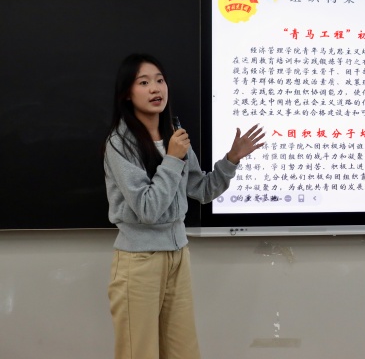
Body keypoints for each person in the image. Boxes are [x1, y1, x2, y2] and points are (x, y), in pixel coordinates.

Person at [102, 53, 266, 359]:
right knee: (139, 352)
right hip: (140, 260)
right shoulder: (120, 144)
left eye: (160, 80)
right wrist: (172, 158)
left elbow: (201, 190)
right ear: (127, 93)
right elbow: (148, 209)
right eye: (144, 82)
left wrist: (231, 160)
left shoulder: (174, 135)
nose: (155, 88)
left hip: (178, 255)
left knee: (184, 352)